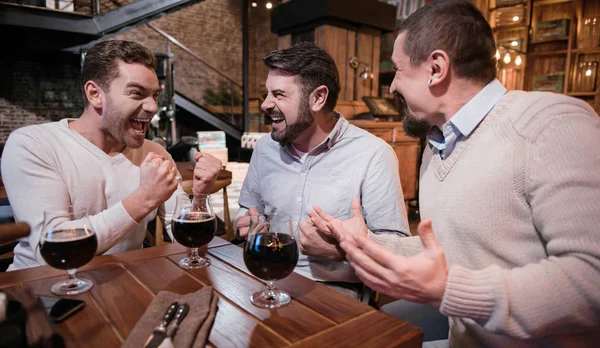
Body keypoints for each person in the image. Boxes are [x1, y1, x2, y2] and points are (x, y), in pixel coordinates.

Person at [311, 1, 600, 346]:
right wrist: (362, 241)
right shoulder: (436, 145)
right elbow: (449, 248)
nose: (392, 88)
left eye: (398, 71)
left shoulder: (551, 124)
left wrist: (449, 290)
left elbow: (591, 280)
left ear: (436, 67)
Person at [2, 40, 222, 271]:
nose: (152, 107)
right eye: (137, 93)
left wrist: (199, 197)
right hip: (43, 292)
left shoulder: (154, 153)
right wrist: (143, 199)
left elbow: (186, 243)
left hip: (126, 287)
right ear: (95, 94)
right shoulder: (34, 144)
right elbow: (50, 252)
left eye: (155, 95)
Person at [233, 42, 410, 299]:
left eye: (279, 95)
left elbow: (397, 250)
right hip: (264, 274)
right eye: (267, 94)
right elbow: (247, 209)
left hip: (335, 290)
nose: (265, 104)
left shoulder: (373, 154)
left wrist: (339, 250)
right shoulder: (264, 148)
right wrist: (245, 222)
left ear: (318, 98)